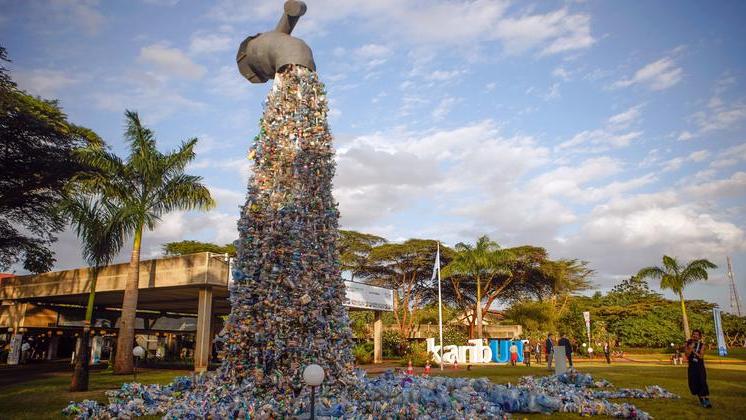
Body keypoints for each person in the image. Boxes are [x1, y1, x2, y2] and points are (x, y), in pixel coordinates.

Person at [686, 329, 711, 408]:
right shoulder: (688, 344)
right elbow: (687, 355)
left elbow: (701, 356)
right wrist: (690, 348)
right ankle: (702, 399)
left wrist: (694, 351)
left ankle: (706, 399)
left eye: (697, 334)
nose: (695, 336)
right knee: (694, 382)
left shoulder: (702, 345)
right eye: (694, 334)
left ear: (699, 336)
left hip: (699, 366)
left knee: (702, 381)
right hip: (692, 366)